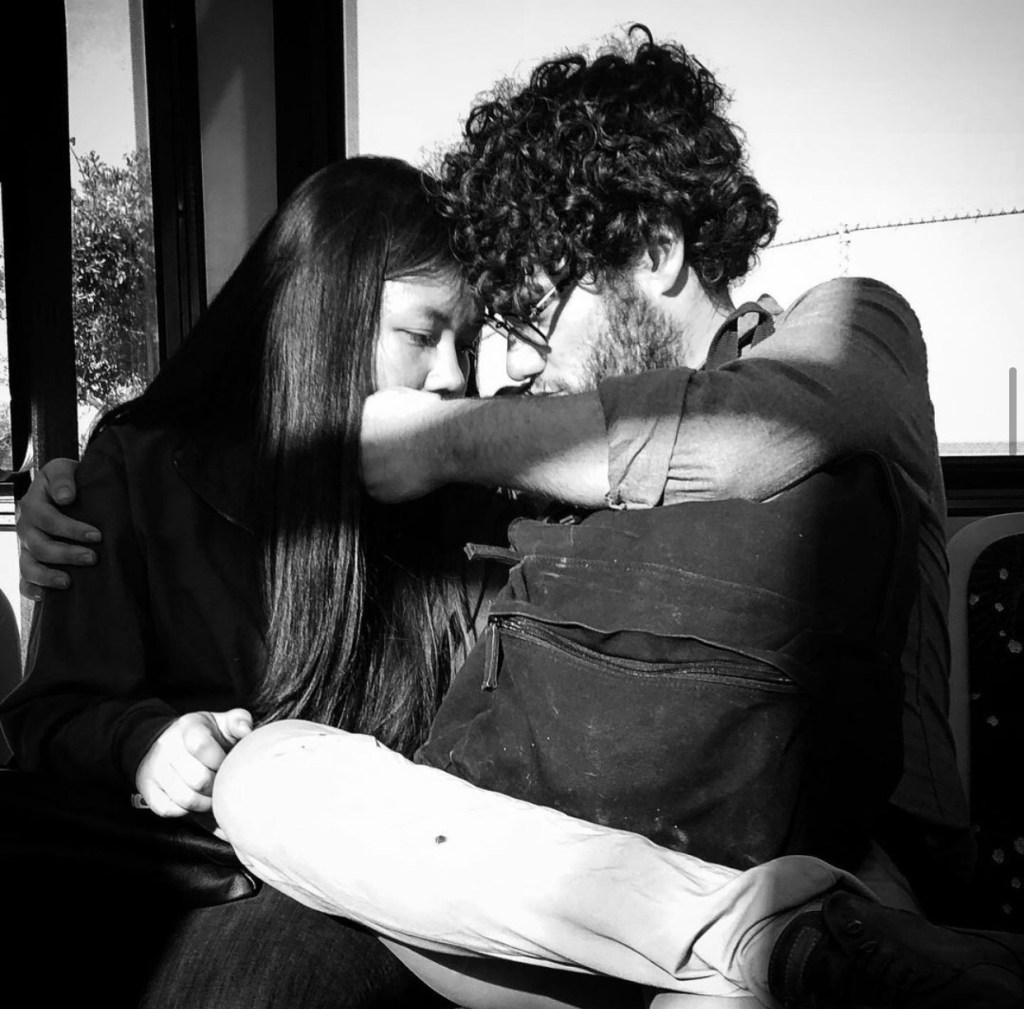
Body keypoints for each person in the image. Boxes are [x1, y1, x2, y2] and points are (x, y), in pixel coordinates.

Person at [16, 25, 1024, 1009]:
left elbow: (765, 428)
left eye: (527, 320)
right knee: (269, 799)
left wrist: (434, 441)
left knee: (276, 804)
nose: (491, 374)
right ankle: (760, 943)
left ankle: (774, 940)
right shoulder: (156, 476)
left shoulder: (846, 326)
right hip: (516, 866)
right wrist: (137, 713)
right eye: (439, 336)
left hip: (842, 841)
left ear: (657, 247)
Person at [0, 154, 486, 1009]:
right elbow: (51, 712)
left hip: (380, 894)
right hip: (187, 883)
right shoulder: (138, 473)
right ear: (324, 316)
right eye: (422, 334)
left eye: (467, 344)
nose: (452, 375)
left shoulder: (458, 504)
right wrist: (146, 742)